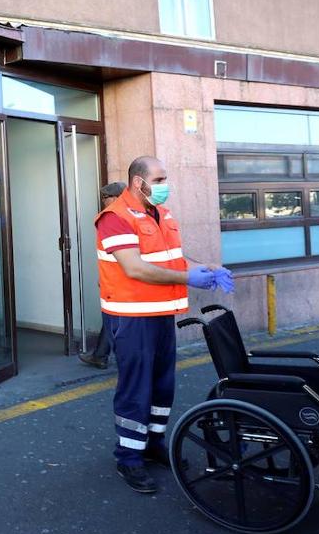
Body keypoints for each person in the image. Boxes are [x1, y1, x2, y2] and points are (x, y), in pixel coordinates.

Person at [97, 156, 234, 494]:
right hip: (131, 319)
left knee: (162, 386)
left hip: (160, 316)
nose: (164, 185)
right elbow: (136, 269)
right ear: (138, 183)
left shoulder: (162, 214)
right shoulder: (114, 218)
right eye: (159, 180)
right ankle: (129, 457)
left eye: (165, 179)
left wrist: (208, 267)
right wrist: (188, 278)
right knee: (135, 389)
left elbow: (173, 257)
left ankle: (153, 442)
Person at [78, 182, 128, 369]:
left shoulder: (114, 218)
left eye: (105, 198)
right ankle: (100, 355)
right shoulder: (131, 215)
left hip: (120, 283)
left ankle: (104, 356)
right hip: (117, 281)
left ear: (116, 197)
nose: (103, 202)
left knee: (115, 320)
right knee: (112, 319)